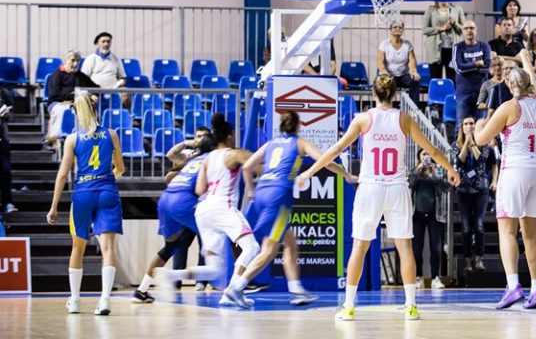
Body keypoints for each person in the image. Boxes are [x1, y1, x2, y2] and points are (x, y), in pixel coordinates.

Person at [295, 75, 459, 321]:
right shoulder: (404, 119)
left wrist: (310, 171)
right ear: (394, 95)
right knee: (405, 247)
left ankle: (348, 307)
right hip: (397, 188)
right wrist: (450, 169)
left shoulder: (363, 119)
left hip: (371, 187)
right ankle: (411, 306)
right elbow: (433, 151)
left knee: (359, 247)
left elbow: (337, 149)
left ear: (374, 93)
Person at [226, 111, 356, 305]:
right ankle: (236, 287)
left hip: (262, 193)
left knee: (290, 244)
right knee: (269, 250)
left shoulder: (271, 143)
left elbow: (247, 167)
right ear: (298, 125)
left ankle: (296, 289)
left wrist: (251, 190)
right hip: (279, 196)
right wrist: (347, 176)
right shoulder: (300, 143)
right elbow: (325, 161)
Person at [159, 114, 260, 307]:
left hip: (204, 211)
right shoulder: (234, 154)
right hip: (223, 207)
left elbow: (199, 190)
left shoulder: (207, 159)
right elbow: (258, 166)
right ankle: (234, 290)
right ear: (229, 135)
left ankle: (172, 275)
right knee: (252, 248)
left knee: (215, 270)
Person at [473, 68, 536, 310]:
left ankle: (514, 285)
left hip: (516, 169)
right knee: (531, 234)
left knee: (507, 231)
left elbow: (481, 140)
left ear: (508, 83)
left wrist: (478, 126)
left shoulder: (509, 106)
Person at [46, 94, 124, 315]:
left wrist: (54, 206)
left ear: (78, 114)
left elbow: (63, 175)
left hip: (83, 192)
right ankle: (105, 300)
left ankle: (75, 300)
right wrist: (107, 178)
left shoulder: (73, 139)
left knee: (78, 247)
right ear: (96, 110)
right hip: (107, 190)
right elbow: (120, 168)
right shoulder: (111, 134)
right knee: (108, 248)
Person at [131, 128, 213, 303]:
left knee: (170, 247)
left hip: (165, 200)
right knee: (216, 237)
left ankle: (141, 290)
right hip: (185, 202)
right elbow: (200, 189)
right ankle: (231, 283)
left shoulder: (192, 159)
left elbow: (170, 176)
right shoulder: (212, 159)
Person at [452, 117, 498, 272]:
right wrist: (466, 143)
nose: (469, 126)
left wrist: (473, 143)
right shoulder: (455, 145)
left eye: (472, 123)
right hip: (463, 189)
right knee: (466, 227)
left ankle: (479, 258)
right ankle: (467, 260)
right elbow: (459, 161)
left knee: (478, 225)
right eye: (466, 124)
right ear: (462, 127)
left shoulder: (485, 145)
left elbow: (480, 160)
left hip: (481, 189)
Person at [410, 150, 451, 289]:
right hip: (417, 214)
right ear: (419, 156)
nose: (426, 157)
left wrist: (434, 174)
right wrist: (419, 169)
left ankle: (435, 277)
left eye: (428, 154)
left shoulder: (437, 170)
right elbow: (409, 183)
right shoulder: (415, 170)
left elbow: (446, 187)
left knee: (436, 247)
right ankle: (418, 277)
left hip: (436, 214)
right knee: (417, 248)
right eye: (423, 154)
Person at [45, 50, 98, 143]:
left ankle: (84, 138)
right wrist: (74, 96)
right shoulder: (57, 74)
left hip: (76, 103)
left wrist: (94, 95)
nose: (76, 63)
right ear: (65, 61)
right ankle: (54, 139)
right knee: (63, 110)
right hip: (57, 103)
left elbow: (96, 88)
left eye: (77, 61)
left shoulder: (81, 76)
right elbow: (55, 94)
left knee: (85, 109)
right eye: (73, 60)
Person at [452, 20, 492, 121]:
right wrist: (477, 64)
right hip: (463, 92)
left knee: (481, 124)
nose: (469, 30)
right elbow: (459, 68)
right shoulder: (458, 47)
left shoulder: (485, 46)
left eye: (472, 28)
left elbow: (487, 67)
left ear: (476, 30)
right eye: (466, 28)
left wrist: (468, 66)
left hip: (481, 93)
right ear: (462, 31)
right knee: (461, 124)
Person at [422, 2, 464, 81]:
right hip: (435, 49)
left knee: (453, 79)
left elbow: (463, 29)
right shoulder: (430, 9)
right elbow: (424, 30)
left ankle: (452, 90)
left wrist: (454, 23)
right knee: (436, 79)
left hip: (452, 49)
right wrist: (441, 28)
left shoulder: (457, 8)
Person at [377, 21, 420, 95]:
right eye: (395, 27)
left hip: (403, 76)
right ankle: (385, 103)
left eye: (400, 27)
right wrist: (384, 72)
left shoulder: (407, 44)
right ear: (390, 30)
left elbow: (412, 60)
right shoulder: (384, 44)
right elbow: (379, 61)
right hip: (388, 75)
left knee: (416, 80)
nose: (398, 29)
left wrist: (413, 71)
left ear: (402, 30)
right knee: (383, 82)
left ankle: (413, 103)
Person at [0, 91, 13, 214]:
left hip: (2, 137)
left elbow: (10, 113)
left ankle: (7, 202)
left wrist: (7, 115)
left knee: (5, 171)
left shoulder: (3, 93)